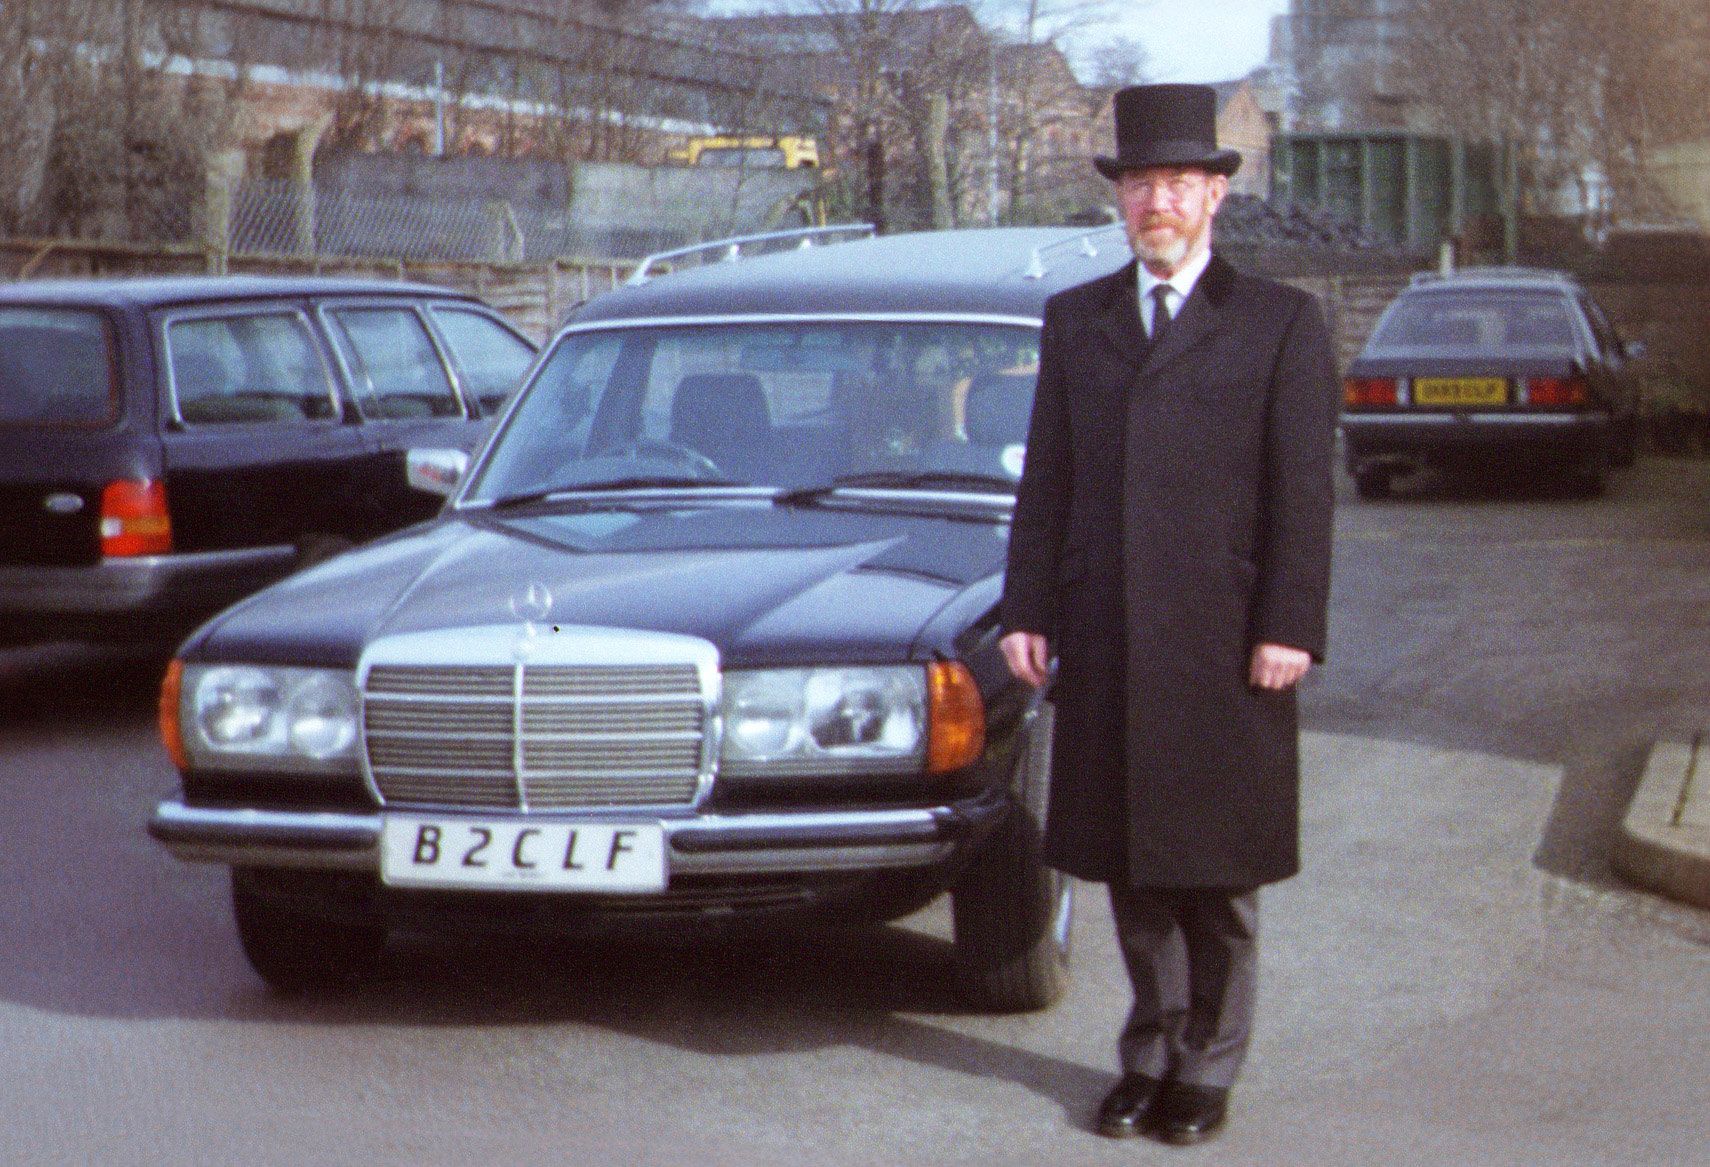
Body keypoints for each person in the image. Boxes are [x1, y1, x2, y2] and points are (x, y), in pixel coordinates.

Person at [999, 83, 1337, 1146]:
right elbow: (1046, 479)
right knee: (1136, 871)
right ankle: (1147, 1054)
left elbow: (1304, 494)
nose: (1158, 202)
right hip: (1108, 634)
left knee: (1218, 874)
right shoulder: (1078, 321)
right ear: (1122, 199)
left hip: (1229, 642)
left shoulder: (1281, 322)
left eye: (1179, 184)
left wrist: (1291, 622)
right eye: (1141, 184)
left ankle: (1207, 1065)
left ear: (1215, 198)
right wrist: (1029, 603)